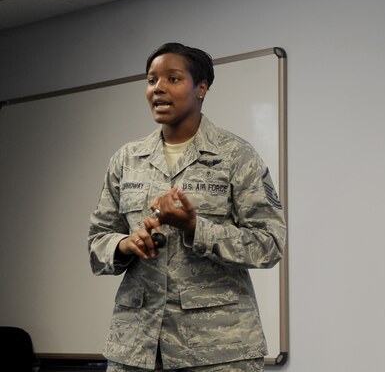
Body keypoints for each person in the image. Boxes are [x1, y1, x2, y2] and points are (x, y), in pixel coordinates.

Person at [88, 43, 286, 371]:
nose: (159, 88)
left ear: (202, 88)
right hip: (136, 350)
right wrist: (126, 244)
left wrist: (194, 228)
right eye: (152, 80)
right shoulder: (126, 159)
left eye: (173, 78)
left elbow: (269, 244)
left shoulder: (237, 157)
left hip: (218, 351)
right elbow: (98, 242)